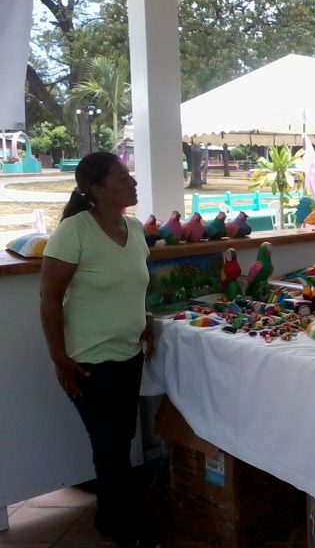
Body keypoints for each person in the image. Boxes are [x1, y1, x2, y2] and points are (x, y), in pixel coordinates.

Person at [39, 152, 159, 548]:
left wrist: (145, 319)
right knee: (110, 445)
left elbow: (127, 282)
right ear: (97, 190)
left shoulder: (135, 228)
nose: (133, 182)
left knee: (120, 439)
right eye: (123, 177)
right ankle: (121, 525)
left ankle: (113, 516)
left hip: (127, 353)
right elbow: (49, 298)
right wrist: (60, 360)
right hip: (88, 360)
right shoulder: (74, 231)